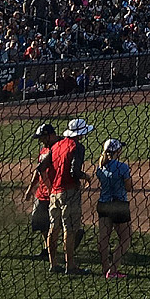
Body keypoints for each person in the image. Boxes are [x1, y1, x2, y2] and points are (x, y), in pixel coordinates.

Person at [48, 118, 92, 275]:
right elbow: (74, 172)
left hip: (54, 190)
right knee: (70, 228)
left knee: (54, 226)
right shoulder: (77, 147)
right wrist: (85, 177)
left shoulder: (57, 145)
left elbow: (46, 167)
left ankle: (53, 263)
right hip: (69, 191)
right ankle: (70, 265)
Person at [95, 138, 133, 279]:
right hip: (119, 205)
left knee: (104, 237)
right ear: (118, 151)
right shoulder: (122, 167)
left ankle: (105, 267)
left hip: (103, 204)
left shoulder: (100, 166)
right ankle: (113, 270)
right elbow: (128, 187)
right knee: (126, 237)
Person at [23, 123, 57, 258]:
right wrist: (30, 188)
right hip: (41, 193)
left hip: (55, 191)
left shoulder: (59, 149)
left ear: (50, 135)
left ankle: (73, 236)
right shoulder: (43, 150)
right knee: (39, 221)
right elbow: (38, 172)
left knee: (58, 222)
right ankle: (47, 248)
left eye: (42, 137)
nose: (41, 140)